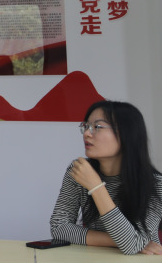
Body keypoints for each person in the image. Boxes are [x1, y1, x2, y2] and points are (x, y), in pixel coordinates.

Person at [50, 100, 162, 255]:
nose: (87, 133)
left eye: (97, 127)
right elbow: (59, 227)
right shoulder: (80, 171)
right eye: (86, 126)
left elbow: (132, 246)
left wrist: (96, 187)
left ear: (126, 134)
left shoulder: (155, 184)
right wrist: (122, 241)